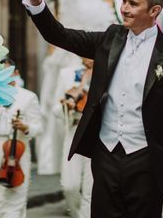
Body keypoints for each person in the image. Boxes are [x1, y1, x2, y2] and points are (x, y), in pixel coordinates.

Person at [24, 0, 163, 217]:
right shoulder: (109, 38)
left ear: (154, 10)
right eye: (123, 1)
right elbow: (61, 36)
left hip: (147, 159)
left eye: (133, 4)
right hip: (106, 154)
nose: (124, 8)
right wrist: (36, 4)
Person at [37, 0, 119, 175]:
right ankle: (63, 161)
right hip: (68, 45)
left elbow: (111, 10)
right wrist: (52, 51)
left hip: (96, 43)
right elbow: (59, 14)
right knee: (59, 101)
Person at [0, 59, 43, 218]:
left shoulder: (28, 97)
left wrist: (25, 127)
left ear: (16, 73)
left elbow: (38, 127)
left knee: (17, 194)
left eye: (7, 73)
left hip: (19, 148)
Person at [53, 58, 94, 218]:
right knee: (69, 185)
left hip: (95, 133)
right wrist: (64, 106)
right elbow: (55, 107)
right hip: (74, 129)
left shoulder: (106, 71)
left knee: (91, 188)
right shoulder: (66, 74)